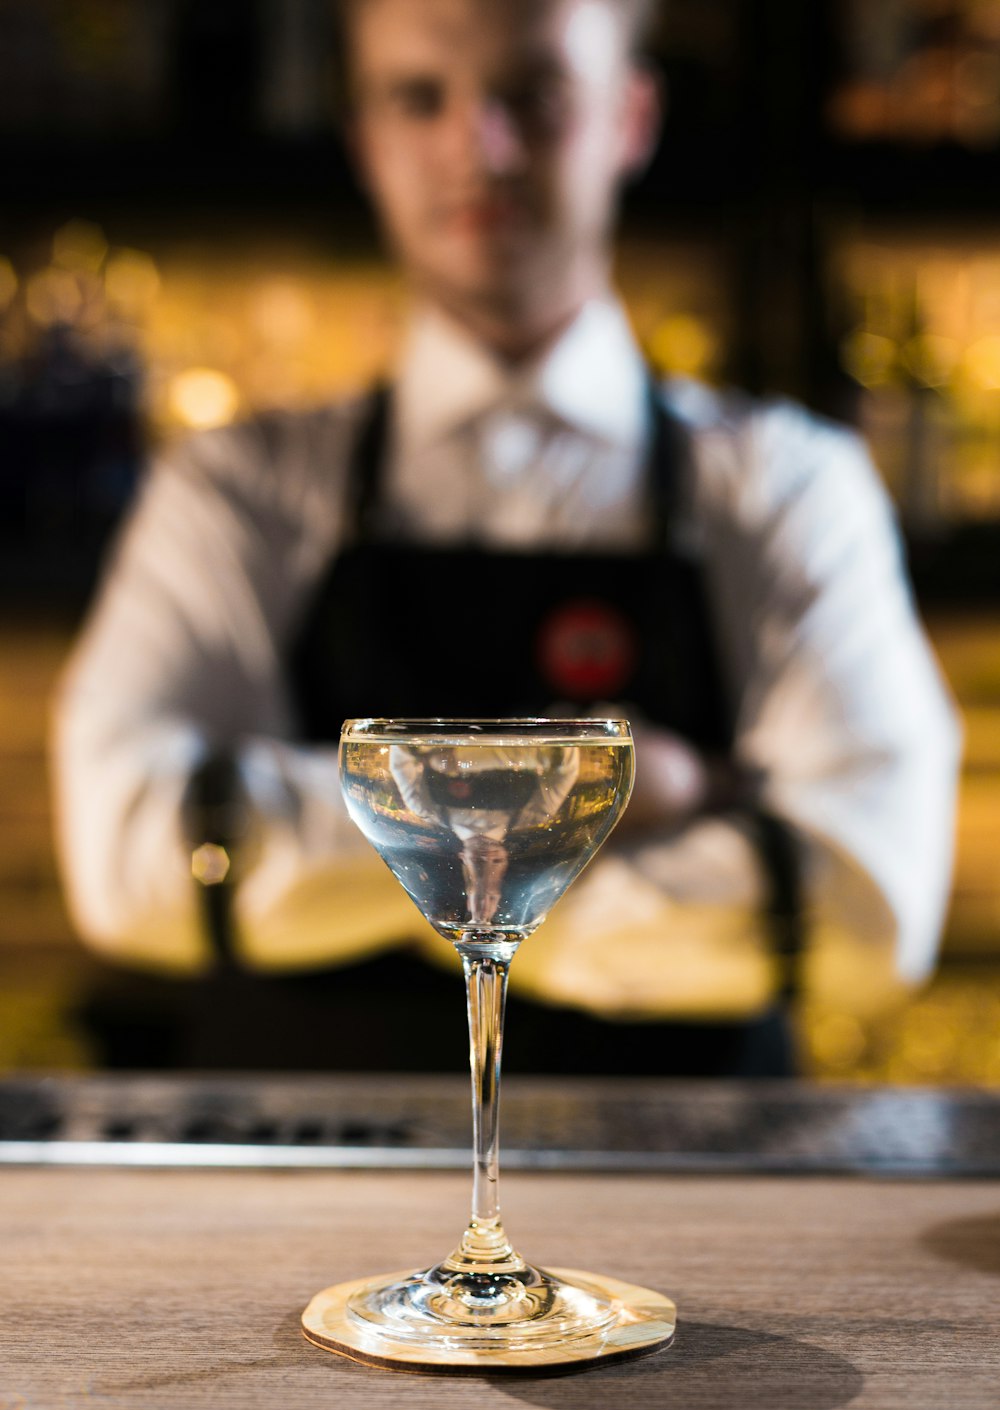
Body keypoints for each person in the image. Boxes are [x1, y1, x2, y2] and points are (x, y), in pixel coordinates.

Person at [52, 0, 961, 1075]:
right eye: (417, 96)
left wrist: (394, 877)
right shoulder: (238, 488)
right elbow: (127, 861)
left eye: (533, 96)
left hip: (699, 1196)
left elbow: (866, 905)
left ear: (629, 116)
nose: (477, 147)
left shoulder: (785, 485)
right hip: (308, 1194)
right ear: (366, 139)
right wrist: (607, 802)